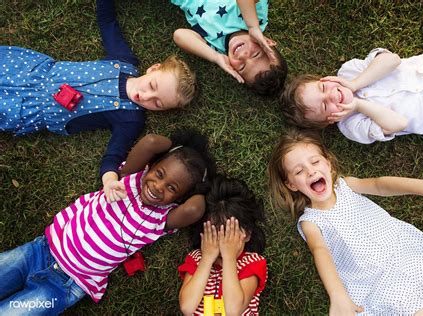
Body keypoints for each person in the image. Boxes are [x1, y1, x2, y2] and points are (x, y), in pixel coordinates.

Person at [0, 130, 216, 315]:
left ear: (178, 198)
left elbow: (195, 208)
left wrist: (204, 186)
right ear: (151, 166)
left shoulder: (162, 219)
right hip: (39, 251)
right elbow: (151, 142)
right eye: (159, 173)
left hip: (67, 284)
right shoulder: (129, 179)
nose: (159, 186)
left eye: (172, 188)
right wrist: (176, 147)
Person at [0, 0, 198, 198]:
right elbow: (108, 23)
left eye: (157, 103)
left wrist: (110, 180)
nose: (145, 96)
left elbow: (114, 154)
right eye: (152, 86)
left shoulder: (130, 118)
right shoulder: (123, 61)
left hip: (30, 108)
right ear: (153, 69)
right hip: (29, 71)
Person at [267, 128, 423, 315]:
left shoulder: (345, 186)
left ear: (328, 163)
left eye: (314, 162)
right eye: (299, 171)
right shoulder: (310, 222)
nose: (311, 171)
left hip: (409, 258)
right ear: (291, 185)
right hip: (382, 286)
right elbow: (320, 251)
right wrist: (337, 294)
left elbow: (380, 185)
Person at [281, 48, 423, 144]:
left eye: (323, 88)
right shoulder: (351, 126)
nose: (331, 95)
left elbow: (392, 59)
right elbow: (399, 124)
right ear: (328, 121)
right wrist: (358, 106)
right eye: (324, 106)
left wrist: (356, 83)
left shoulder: (349, 71)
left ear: (324, 79)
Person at [178, 176, 267, 315]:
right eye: (215, 233)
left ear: (247, 235)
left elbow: (234, 311)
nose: (223, 242)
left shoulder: (252, 262)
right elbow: (187, 308)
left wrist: (229, 258)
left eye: (229, 233)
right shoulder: (196, 259)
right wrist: (206, 259)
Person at [171, 0, 287, 96]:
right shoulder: (258, 16)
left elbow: (179, 35)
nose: (242, 56)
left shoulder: (216, 48)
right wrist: (253, 26)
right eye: (255, 54)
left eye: (241, 67)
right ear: (267, 42)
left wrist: (215, 57)